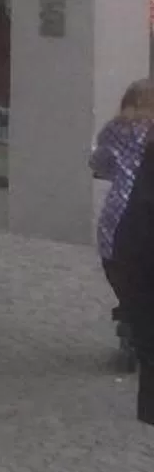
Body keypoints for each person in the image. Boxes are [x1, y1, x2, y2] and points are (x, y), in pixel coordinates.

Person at [92, 78, 154, 374]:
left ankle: (130, 318)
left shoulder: (113, 130)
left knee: (119, 270)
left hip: (116, 218)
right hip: (147, 213)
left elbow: (99, 165)